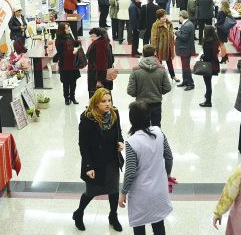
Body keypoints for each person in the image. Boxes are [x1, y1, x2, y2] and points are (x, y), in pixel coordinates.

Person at [119, 101, 173, 235]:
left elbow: (130, 172)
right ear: (148, 117)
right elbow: (169, 157)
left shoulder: (132, 142)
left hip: (140, 194)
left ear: (132, 120)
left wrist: (123, 192)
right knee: (158, 224)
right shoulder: (159, 132)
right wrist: (167, 174)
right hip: (159, 190)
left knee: (139, 226)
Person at [73, 88, 124, 232]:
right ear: (96, 103)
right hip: (95, 162)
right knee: (91, 192)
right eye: (104, 101)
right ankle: (79, 213)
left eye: (109, 100)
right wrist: (88, 166)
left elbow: (119, 132)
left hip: (112, 160)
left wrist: (120, 142)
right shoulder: (87, 119)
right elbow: (83, 145)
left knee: (113, 191)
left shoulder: (114, 113)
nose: (108, 104)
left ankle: (113, 216)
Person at [127, 45, 172, 127]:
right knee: (156, 128)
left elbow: (130, 91)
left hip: (140, 105)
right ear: (155, 53)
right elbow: (167, 88)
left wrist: (138, 94)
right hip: (156, 104)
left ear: (143, 54)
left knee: (141, 128)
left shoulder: (136, 70)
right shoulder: (161, 69)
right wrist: (158, 92)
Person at [55, 22, 82, 105]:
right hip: (65, 64)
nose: (68, 29)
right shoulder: (59, 40)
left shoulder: (70, 36)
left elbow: (74, 43)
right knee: (66, 82)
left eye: (68, 28)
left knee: (73, 82)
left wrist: (77, 41)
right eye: (66, 28)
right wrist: (72, 53)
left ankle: (73, 97)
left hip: (73, 63)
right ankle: (66, 98)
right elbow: (61, 53)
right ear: (62, 30)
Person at [150, 9, 180, 83]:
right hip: (160, 48)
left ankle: (173, 76)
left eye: (165, 16)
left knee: (169, 62)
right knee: (159, 64)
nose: (164, 18)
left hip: (169, 47)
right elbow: (153, 37)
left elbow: (172, 35)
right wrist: (154, 49)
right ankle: (159, 78)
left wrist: (173, 43)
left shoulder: (169, 23)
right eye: (162, 16)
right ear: (159, 17)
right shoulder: (155, 25)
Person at [86, 28, 115, 99]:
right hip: (105, 74)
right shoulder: (107, 44)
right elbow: (112, 59)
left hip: (97, 76)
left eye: (93, 36)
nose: (91, 38)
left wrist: (99, 80)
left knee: (97, 97)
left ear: (100, 36)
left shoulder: (99, 45)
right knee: (106, 96)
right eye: (91, 36)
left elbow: (101, 64)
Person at [199, 26, 220, 107]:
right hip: (214, 63)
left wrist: (202, 56)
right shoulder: (215, 40)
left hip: (208, 65)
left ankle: (208, 101)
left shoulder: (207, 42)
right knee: (209, 82)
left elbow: (207, 56)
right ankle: (207, 95)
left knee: (208, 84)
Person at [175, 10, 195, 91]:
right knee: (184, 67)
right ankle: (185, 81)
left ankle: (190, 84)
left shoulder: (187, 25)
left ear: (181, 16)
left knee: (186, 67)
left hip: (185, 49)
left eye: (179, 17)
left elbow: (184, 37)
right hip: (186, 49)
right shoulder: (188, 23)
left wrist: (176, 33)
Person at [215, 0, 232, 64]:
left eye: (221, 4)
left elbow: (221, 21)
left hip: (221, 30)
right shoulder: (227, 11)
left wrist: (216, 24)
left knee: (221, 44)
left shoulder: (221, 12)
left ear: (223, 5)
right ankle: (224, 57)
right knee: (222, 44)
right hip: (225, 30)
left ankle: (224, 57)